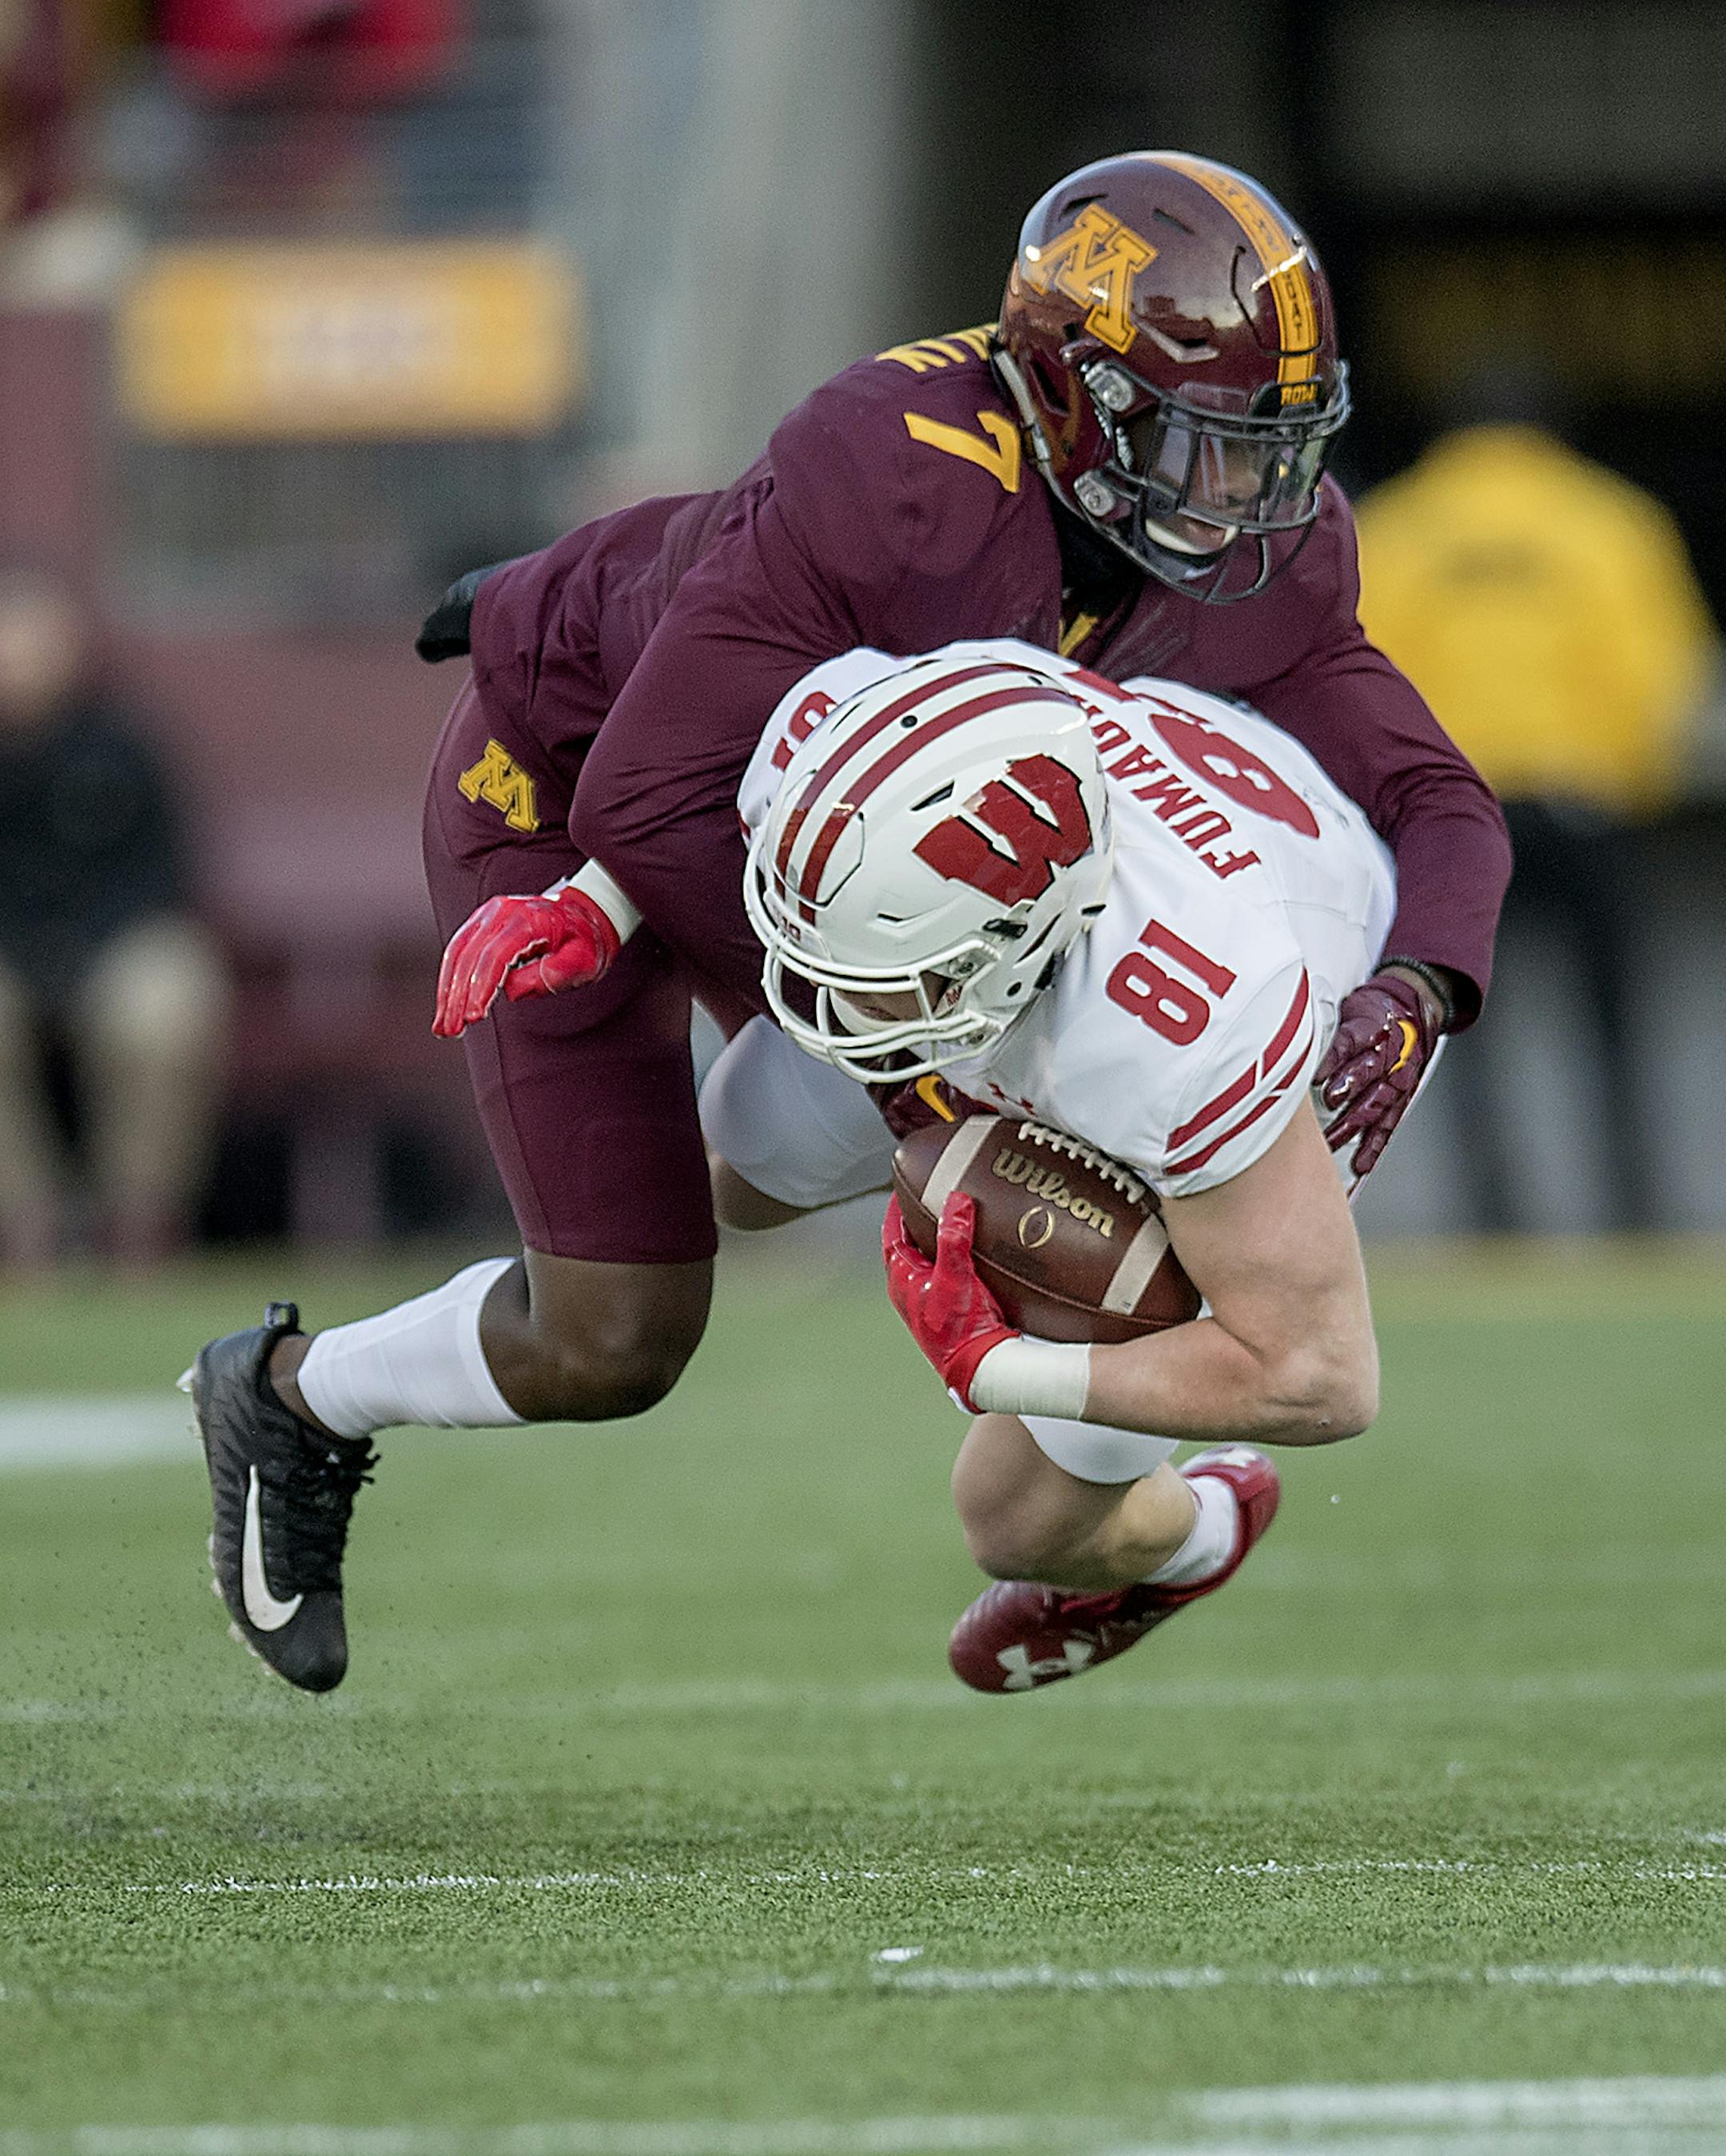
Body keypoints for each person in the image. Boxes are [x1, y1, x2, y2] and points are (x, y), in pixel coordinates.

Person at [183, 151, 1507, 1694]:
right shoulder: (902, 472)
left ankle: (1141, 1529)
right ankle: (289, 1393)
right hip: (583, 803)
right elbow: (648, 797)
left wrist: (1419, 990)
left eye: (1270, 449)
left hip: (845, 841)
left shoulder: (1253, 555)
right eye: (1202, 445)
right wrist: (922, 1091)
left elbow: (1435, 795)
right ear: (1075, 400)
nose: (1248, 496)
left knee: (825, 1180)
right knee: (616, 1335)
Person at [700, 639, 1421, 1692]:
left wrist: (995, 1370)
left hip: (1273, 984)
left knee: (1014, 1518)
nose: (832, 1004)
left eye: (884, 979)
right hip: (1093, 899)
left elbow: (1321, 1379)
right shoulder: (837, 727)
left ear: (1004, 947)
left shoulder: (1193, 1031)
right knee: (730, 1175)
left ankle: (1204, 1533)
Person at [1354, 416, 1718, 1230]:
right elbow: (1661, 673)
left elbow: (1364, 674)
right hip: (1582, 807)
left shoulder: (1399, 527)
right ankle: (1633, 1206)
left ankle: (1495, 1214)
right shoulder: (1609, 520)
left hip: (1456, 816)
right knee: (1613, 1022)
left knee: (1464, 1029)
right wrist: (1634, 781)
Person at [0, 567, 231, 1267]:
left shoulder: (125, 746)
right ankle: (26, 1226)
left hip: (118, 943)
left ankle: (139, 1226)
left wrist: (80, 952)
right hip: (10, 955)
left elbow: (166, 877)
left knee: (167, 1005)